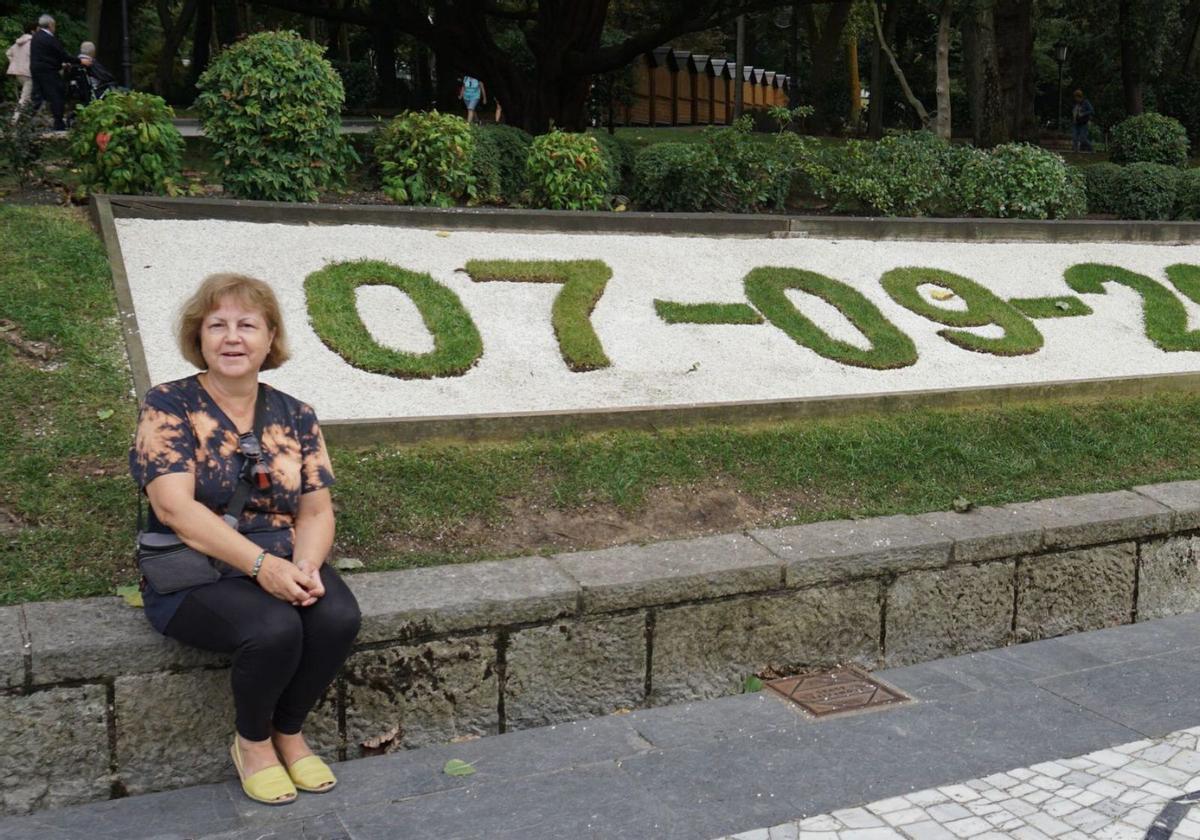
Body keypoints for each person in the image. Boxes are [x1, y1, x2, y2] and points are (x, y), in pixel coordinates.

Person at [129, 273, 361, 806]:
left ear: (269, 337)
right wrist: (263, 567)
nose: (232, 338)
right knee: (274, 628)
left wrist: (305, 566)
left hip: (281, 555)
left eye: (247, 325)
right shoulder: (169, 404)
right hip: (195, 568)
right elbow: (173, 507)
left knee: (336, 617)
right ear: (200, 337)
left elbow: (316, 510)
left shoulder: (296, 415)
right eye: (218, 325)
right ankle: (253, 743)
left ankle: (289, 731)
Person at [29, 14, 77, 131]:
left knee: (37, 96)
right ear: (51, 25)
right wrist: (79, 61)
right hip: (48, 71)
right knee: (57, 94)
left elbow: (46, 55)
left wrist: (60, 63)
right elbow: (61, 54)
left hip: (36, 69)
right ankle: (58, 123)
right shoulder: (49, 38)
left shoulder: (36, 37)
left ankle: (27, 121)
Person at [5, 23, 34, 123]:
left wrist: (14, 63)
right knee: (24, 98)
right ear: (33, 31)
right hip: (28, 73)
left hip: (18, 73)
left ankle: (26, 118)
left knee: (27, 97)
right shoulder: (32, 42)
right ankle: (14, 120)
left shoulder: (18, 42)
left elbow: (8, 53)